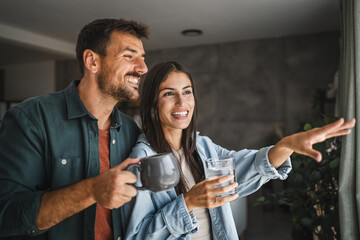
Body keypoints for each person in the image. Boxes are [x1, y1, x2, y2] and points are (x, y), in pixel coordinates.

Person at [122, 61, 356, 240]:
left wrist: (286, 144)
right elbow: (138, 236)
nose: (182, 103)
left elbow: (249, 165)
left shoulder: (202, 146)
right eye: (169, 93)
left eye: (187, 91)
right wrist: (188, 202)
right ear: (153, 102)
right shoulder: (142, 161)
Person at [0, 18, 149, 240]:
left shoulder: (131, 131)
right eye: (129, 56)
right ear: (92, 61)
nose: (143, 68)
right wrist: (91, 191)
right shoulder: (31, 119)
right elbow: (6, 216)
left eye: (142, 58)